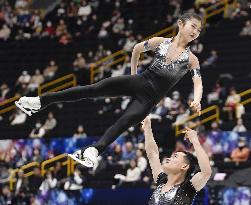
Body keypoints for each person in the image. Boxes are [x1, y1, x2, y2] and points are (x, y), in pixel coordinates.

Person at [15, 12, 203, 168]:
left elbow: (197, 82)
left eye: (199, 30)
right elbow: (137, 49)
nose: (196, 31)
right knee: (93, 89)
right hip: (140, 81)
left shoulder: (191, 59)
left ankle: (93, 151)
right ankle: (41, 101)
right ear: (180, 23)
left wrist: (197, 99)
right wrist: (133, 75)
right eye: (193, 26)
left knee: (124, 122)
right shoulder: (160, 42)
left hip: (149, 100)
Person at [142, 117, 211, 205]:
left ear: (184, 166)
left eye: (175, 156)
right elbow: (152, 154)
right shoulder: (162, 180)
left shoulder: (188, 187)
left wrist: (195, 141)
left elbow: (206, 172)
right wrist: (147, 128)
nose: (168, 158)